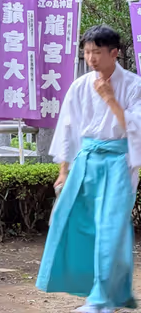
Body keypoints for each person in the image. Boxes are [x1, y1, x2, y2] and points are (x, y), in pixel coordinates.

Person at [37, 25, 141, 313]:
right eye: (86, 52)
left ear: (114, 53)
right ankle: (103, 291)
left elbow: (136, 128)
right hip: (87, 161)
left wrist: (109, 97)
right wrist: (64, 169)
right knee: (77, 225)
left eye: (97, 52)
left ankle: (102, 297)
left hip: (119, 162)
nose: (91, 58)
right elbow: (68, 130)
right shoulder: (80, 86)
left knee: (111, 228)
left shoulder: (134, 86)